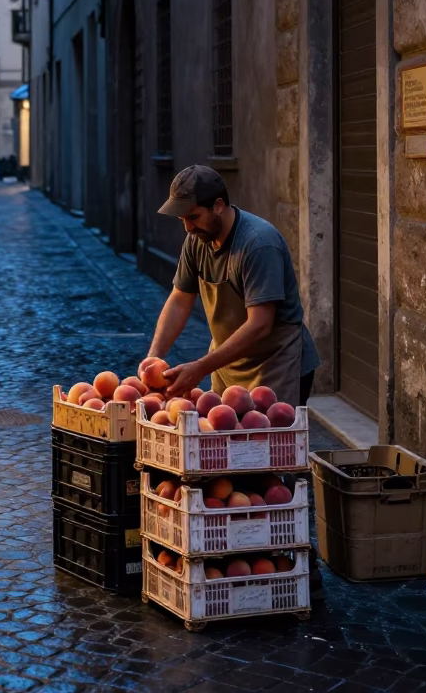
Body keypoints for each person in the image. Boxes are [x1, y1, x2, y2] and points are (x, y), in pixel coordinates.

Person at [146, 164, 323, 597]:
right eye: (183, 218)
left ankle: (299, 569)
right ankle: (233, 564)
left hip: (275, 364)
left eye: (193, 216)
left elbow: (261, 325)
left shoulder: (258, 244)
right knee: (223, 465)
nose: (187, 226)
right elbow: (179, 299)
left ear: (219, 206)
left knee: (269, 472)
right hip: (228, 365)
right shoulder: (197, 242)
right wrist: (155, 356)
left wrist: (201, 367)